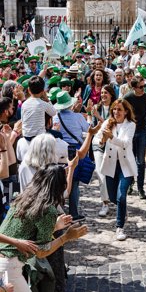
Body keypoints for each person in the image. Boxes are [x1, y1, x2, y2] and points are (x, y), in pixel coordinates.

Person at [0, 164, 87, 292]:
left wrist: (55, 227)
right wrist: (66, 237)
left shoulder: (22, 198)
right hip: (9, 266)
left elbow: (27, 234)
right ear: (60, 186)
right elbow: (41, 252)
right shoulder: (47, 210)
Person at [95, 99, 137, 241]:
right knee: (113, 197)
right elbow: (98, 137)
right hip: (110, 165)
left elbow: (125, 143)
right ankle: (122, 209)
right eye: (114, 109)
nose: (116, 112)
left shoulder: (131, 125)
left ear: (126, 111)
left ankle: (120, 227)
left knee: (121, 196)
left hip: (125, 167)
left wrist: (111, 137)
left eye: (119, 109)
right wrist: (101, 139)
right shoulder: (108, 123)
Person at [53, 91, 89, 221]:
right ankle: (73, 213)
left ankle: (60, 212)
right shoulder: (78, 117)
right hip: (73, 151)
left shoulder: (55, 117)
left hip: (59, 150)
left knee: (58, 181)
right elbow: (87, 129)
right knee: (73, 183)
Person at [92, 85, 116, 217]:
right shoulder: (97, 108)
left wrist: (99, 117)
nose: (103, 95)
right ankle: (105, 203)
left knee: (112, 173)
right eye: (101, 93)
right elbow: (96, 127)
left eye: (106, 93)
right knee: (100, 172)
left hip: (112, 144)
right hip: (98, 143)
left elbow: (113, 125)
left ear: (111, 94)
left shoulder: (116, 108)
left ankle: (115, 198)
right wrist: (92, 118)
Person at [21, 76, 56, 141]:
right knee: (59, 135)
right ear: (43, 91)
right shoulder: (43, 104)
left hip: (26, 135)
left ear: (29, 90)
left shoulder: (24, 104)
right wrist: (47, 99)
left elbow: (23, 120)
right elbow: (54, 112)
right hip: (39, 136)